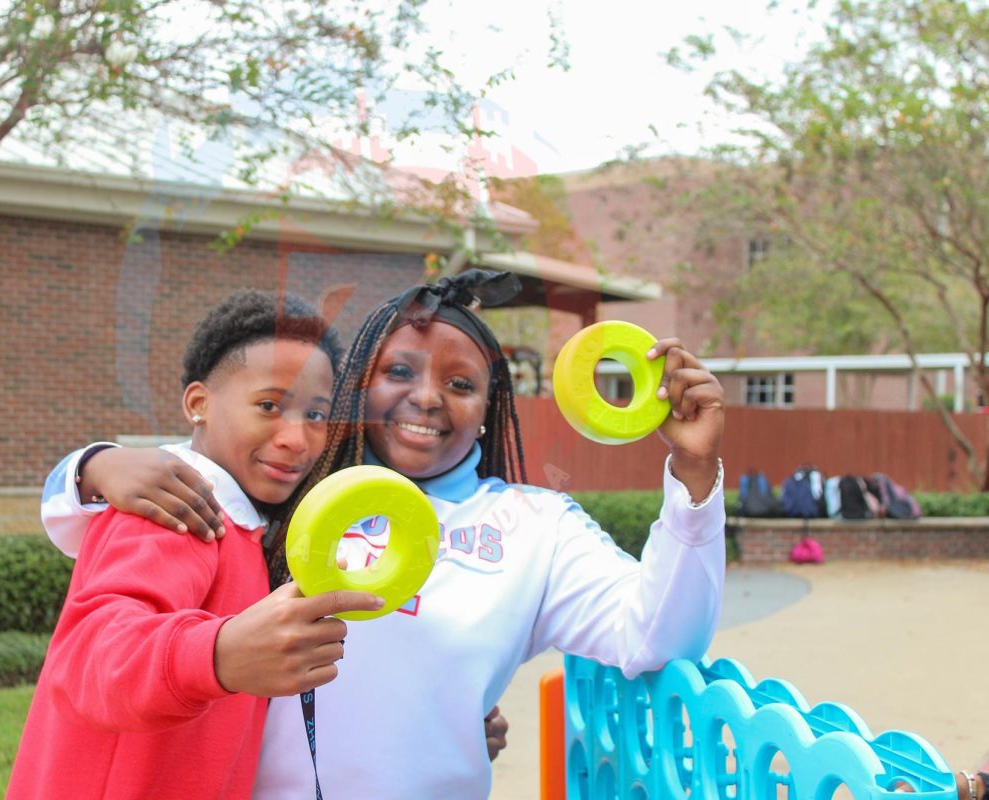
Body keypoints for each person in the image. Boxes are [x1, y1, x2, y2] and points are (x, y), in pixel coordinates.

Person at [45, 269, 727, 799]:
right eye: (398, 372)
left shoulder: (535, 529)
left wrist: (694, 474)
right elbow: (152, 530)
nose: (426, 397)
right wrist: (90, 466)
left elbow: (658, 636)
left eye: (461, 383)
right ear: (356, 388)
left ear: (489, 408)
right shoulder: (285, 479)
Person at [6, 291, 383, 799]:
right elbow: (93, 657)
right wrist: (217, 655)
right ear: (198, 403)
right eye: (270, 405)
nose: (298, 438)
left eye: (316, 415)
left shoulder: (254, 527)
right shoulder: (176, 509)